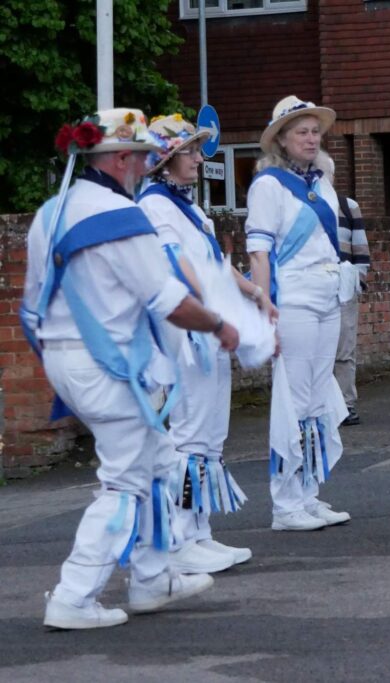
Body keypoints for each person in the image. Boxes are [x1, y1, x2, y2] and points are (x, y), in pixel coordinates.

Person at [22, 108, 240, 629]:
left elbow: (31, 306)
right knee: (123, 481)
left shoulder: (50, 213)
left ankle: (153, 577)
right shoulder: (123, 218)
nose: (147, 163)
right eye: (141, 155)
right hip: (113, 366)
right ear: (119, 159)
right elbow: (170, 301)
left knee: (162, 461)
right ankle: (74, 596)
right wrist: (219, 325)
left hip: (68, 361)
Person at [139, 114, 276, 573]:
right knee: (188, 432)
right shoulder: (154, 207)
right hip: (186, 332)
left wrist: (255, 295)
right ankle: (177, 540)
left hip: (210, 324)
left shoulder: (191, 208)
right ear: (166, 160)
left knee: (210, 433)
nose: (200, 158)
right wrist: (216, 313)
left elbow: (216, 265)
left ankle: (199, 531)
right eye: (191, 151)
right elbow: (177, 268)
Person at [246, 96, 353, 531]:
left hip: (327, 293)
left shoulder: (323, 182)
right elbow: (259, 250)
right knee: (292, 398)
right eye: (301, 132)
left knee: (315, 397)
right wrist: (263, 300)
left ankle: (307, 493)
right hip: (293, 296)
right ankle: (285, 504)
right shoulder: (268, 185)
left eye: (314, 132)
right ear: (282, 140)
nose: (311, 139)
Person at [333, 167, 369, 426]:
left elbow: (360, 247)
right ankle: (324, 406)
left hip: (344, 285)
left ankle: (346, 404)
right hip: (313, 286)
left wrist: (358, 280)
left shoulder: (348, 206)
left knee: (345, 349)